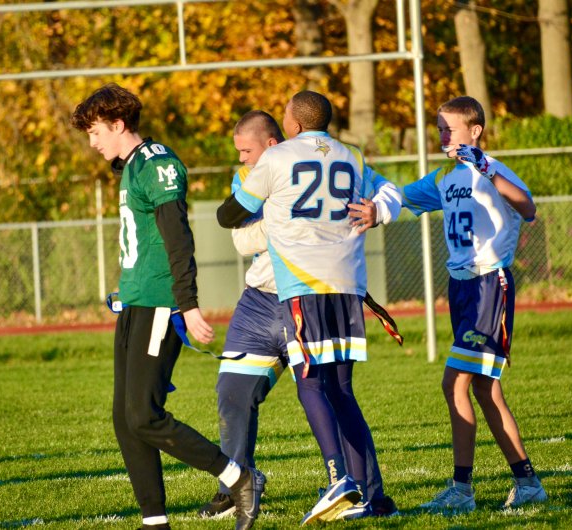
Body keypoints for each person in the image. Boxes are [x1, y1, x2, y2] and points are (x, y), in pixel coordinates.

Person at [70, 83, 265, 530]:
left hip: (161, 303)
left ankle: (239, 477)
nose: (92, 141)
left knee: (144, 414)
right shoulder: (132, 166)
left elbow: (178, 237)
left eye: (96, 131)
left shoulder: (157, 163)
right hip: (136, 302)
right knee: (126, 420)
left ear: (119, 125)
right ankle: (155, 522)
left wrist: (188, 304)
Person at [200, 110, 401, 521]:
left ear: (274, 143)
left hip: (307, 295)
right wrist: (292, 220)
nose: (241, 160)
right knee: (232, 393)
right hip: (260, 300)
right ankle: (236, 483)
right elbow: (240, 239)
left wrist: (373, 210)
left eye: (246, 150)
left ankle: (369, 493)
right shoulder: (249, 178)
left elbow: (386, 191)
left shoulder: (304, 161)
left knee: (330, 391)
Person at [400, 95, 546, 513]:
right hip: (461, 287)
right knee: (484, 388)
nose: (442, 135)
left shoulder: (491, 168)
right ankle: (527, 481)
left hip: (488, 285)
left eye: (450, 128)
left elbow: (528, 207)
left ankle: (461, 490)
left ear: (475, 131)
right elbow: (401, 197)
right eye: (439, 129)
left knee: (455, 383)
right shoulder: (446, 174)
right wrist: (366, 190)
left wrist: (485, 168)